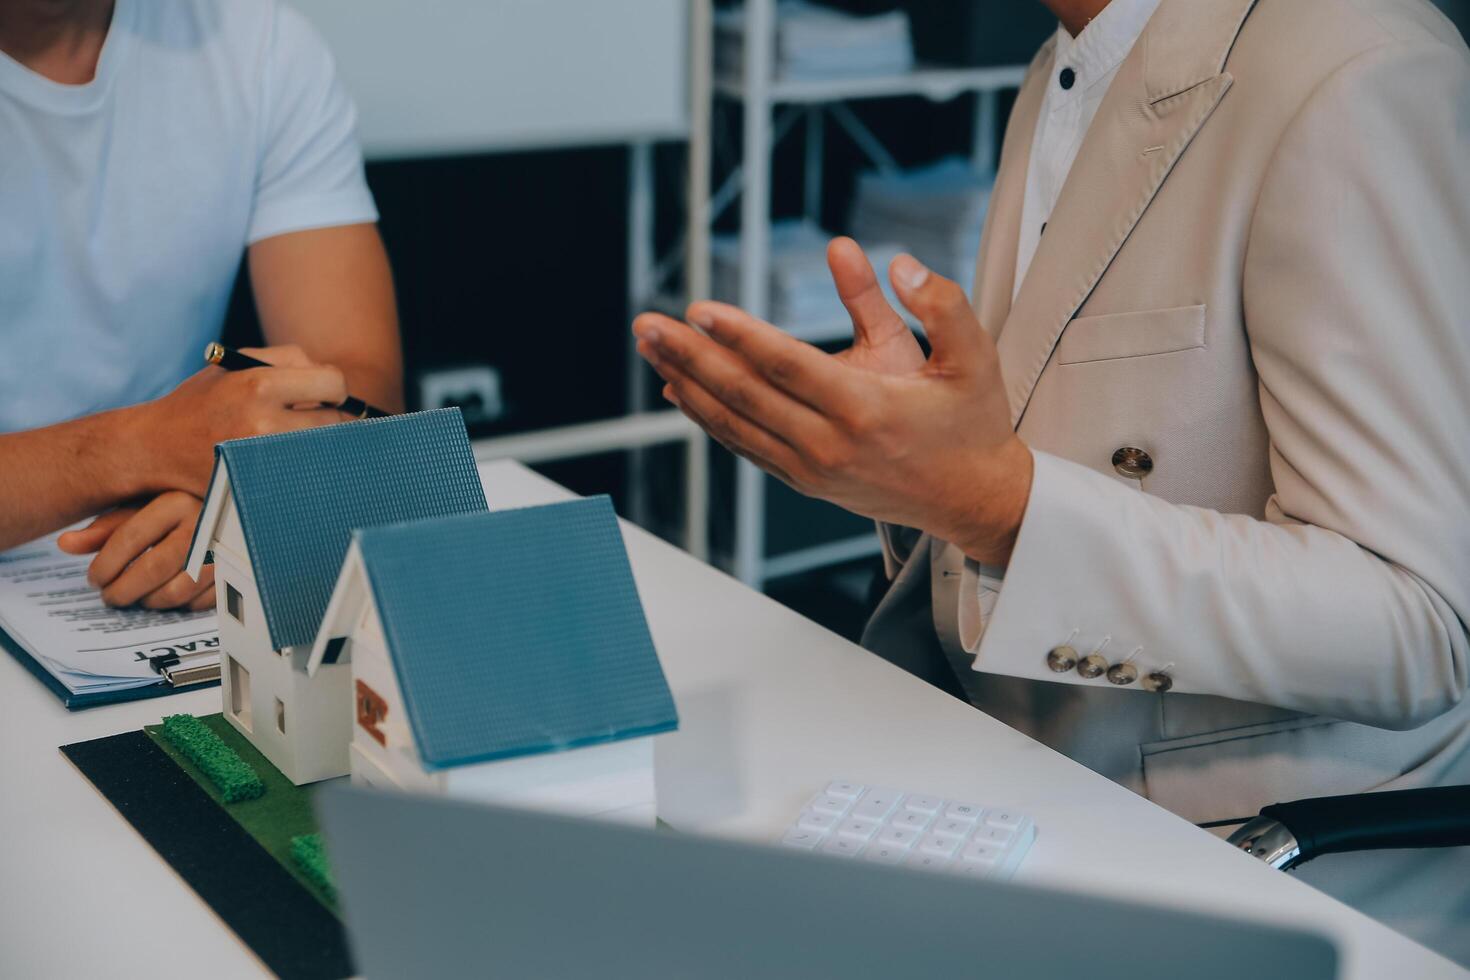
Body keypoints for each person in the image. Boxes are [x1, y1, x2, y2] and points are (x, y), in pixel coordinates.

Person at [634, 0, 1470, 962]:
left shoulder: (1357, 66)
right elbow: (1032, 459)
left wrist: (993, 505)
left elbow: (1421, 620)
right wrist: (905, 468)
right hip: (1019, 782)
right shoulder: (1061, 69)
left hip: (1249, 863)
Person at [0, 0, 403, 608]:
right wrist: (141, 448)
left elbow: (362, 394)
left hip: (157, 594)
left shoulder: (261, 47)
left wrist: (247, 502)